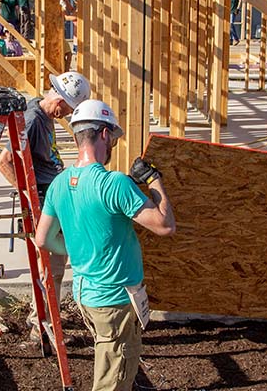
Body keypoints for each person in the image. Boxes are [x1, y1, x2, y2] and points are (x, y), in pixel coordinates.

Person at [35, 99, 176, 391]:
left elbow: (43, 239)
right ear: (103, 134)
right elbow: (165, 226)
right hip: (115, 300)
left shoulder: (59, 183)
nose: (111, 142)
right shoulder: (114, 184)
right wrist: (153, 180)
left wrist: (76, 249)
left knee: (110, 361)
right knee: (113, 380)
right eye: (111, 136)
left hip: (86, 295)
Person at [0, 71, 91, 341]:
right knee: (53, 266)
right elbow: (5, 162)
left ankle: (44, 315)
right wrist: (31, 196)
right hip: (46, 199)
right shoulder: (34, 120)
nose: (67, 115)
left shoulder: (42, 112)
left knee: (55, 262)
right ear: (59, 100)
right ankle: (43, 324)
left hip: (52, 195)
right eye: (69, 109)